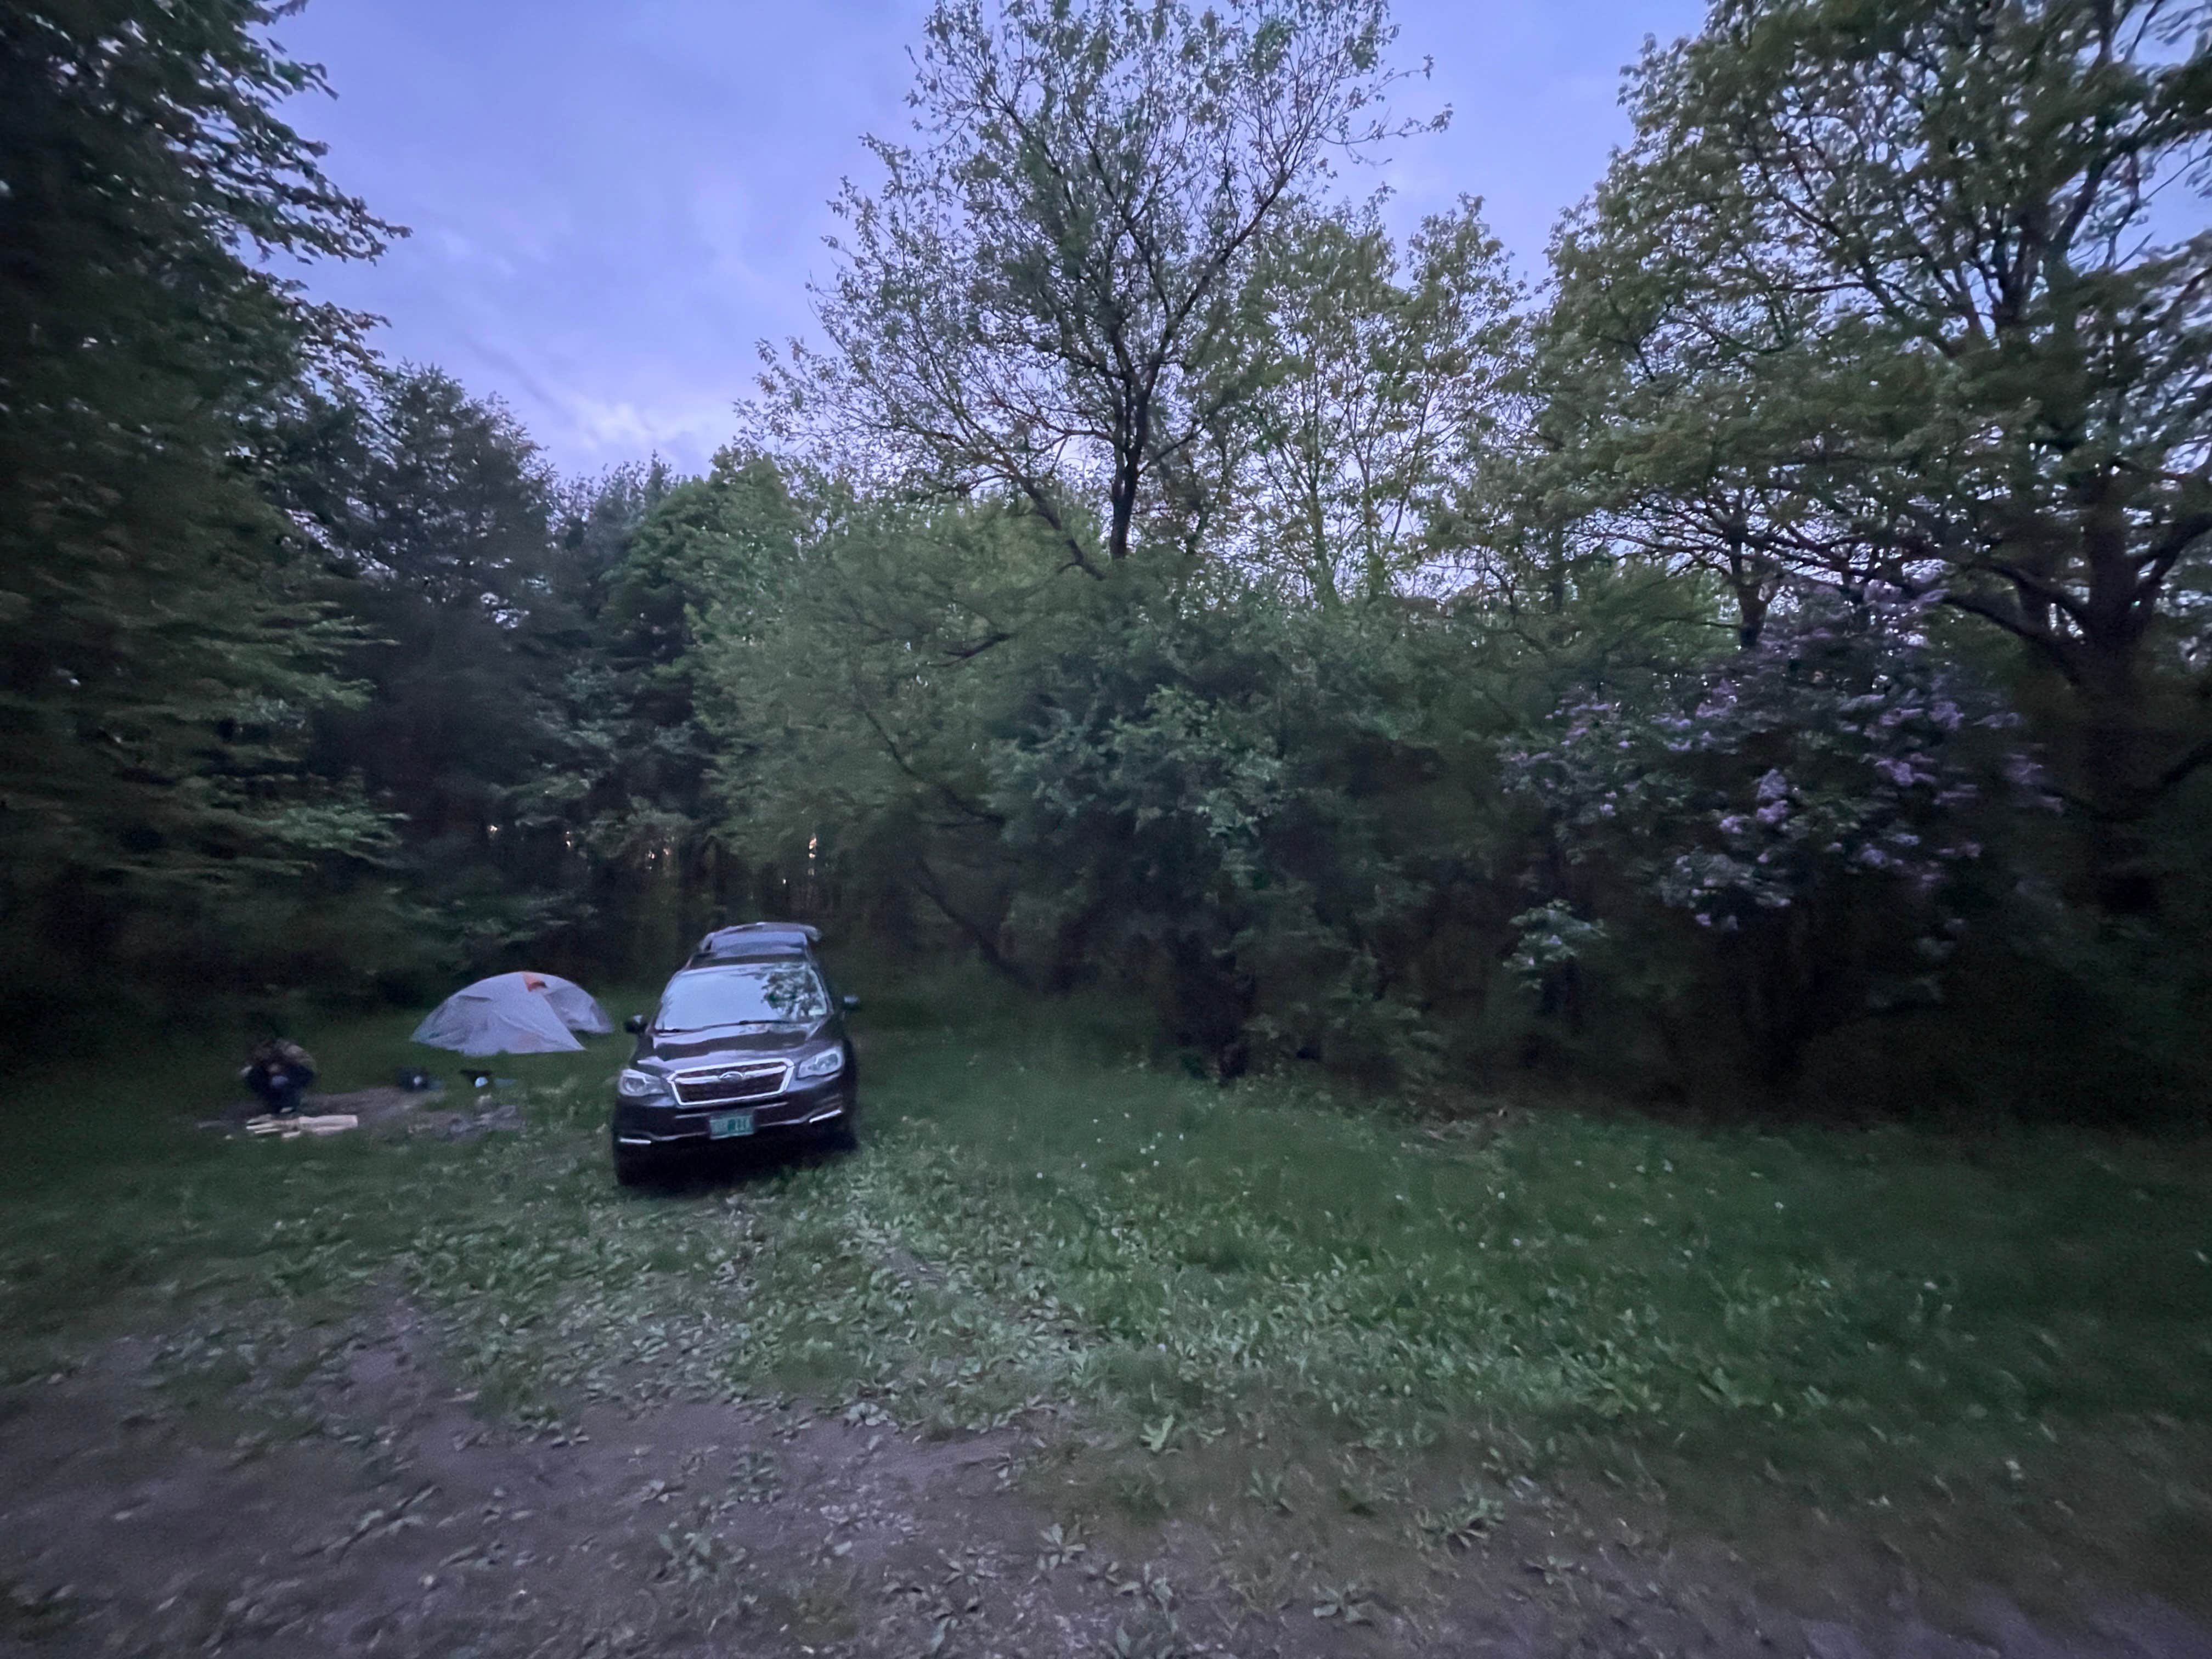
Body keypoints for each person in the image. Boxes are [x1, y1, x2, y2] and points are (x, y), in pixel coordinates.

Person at [242, 1037, 317, 1118]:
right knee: (260, 1079)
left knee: (281, 1083)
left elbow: (306, 1071)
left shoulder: (289, 1055)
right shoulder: (259, 1064)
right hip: (278, 1075)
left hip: (297, 1073)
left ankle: (290, 1105)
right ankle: (275, 1104)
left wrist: (281, 1073)